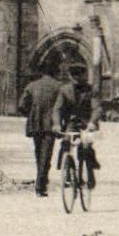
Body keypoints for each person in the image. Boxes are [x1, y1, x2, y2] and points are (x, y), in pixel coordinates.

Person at [18, 65, 76, 197]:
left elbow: (21, 105)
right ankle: (40, 185)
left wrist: (31, 114)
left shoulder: (31, 86)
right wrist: (62, 122)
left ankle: (42, 180)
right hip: (50, 125)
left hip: (35, 124)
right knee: (46, 155)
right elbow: (64, 107)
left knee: (39, 153)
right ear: (55, 72)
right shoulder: (60, 87)